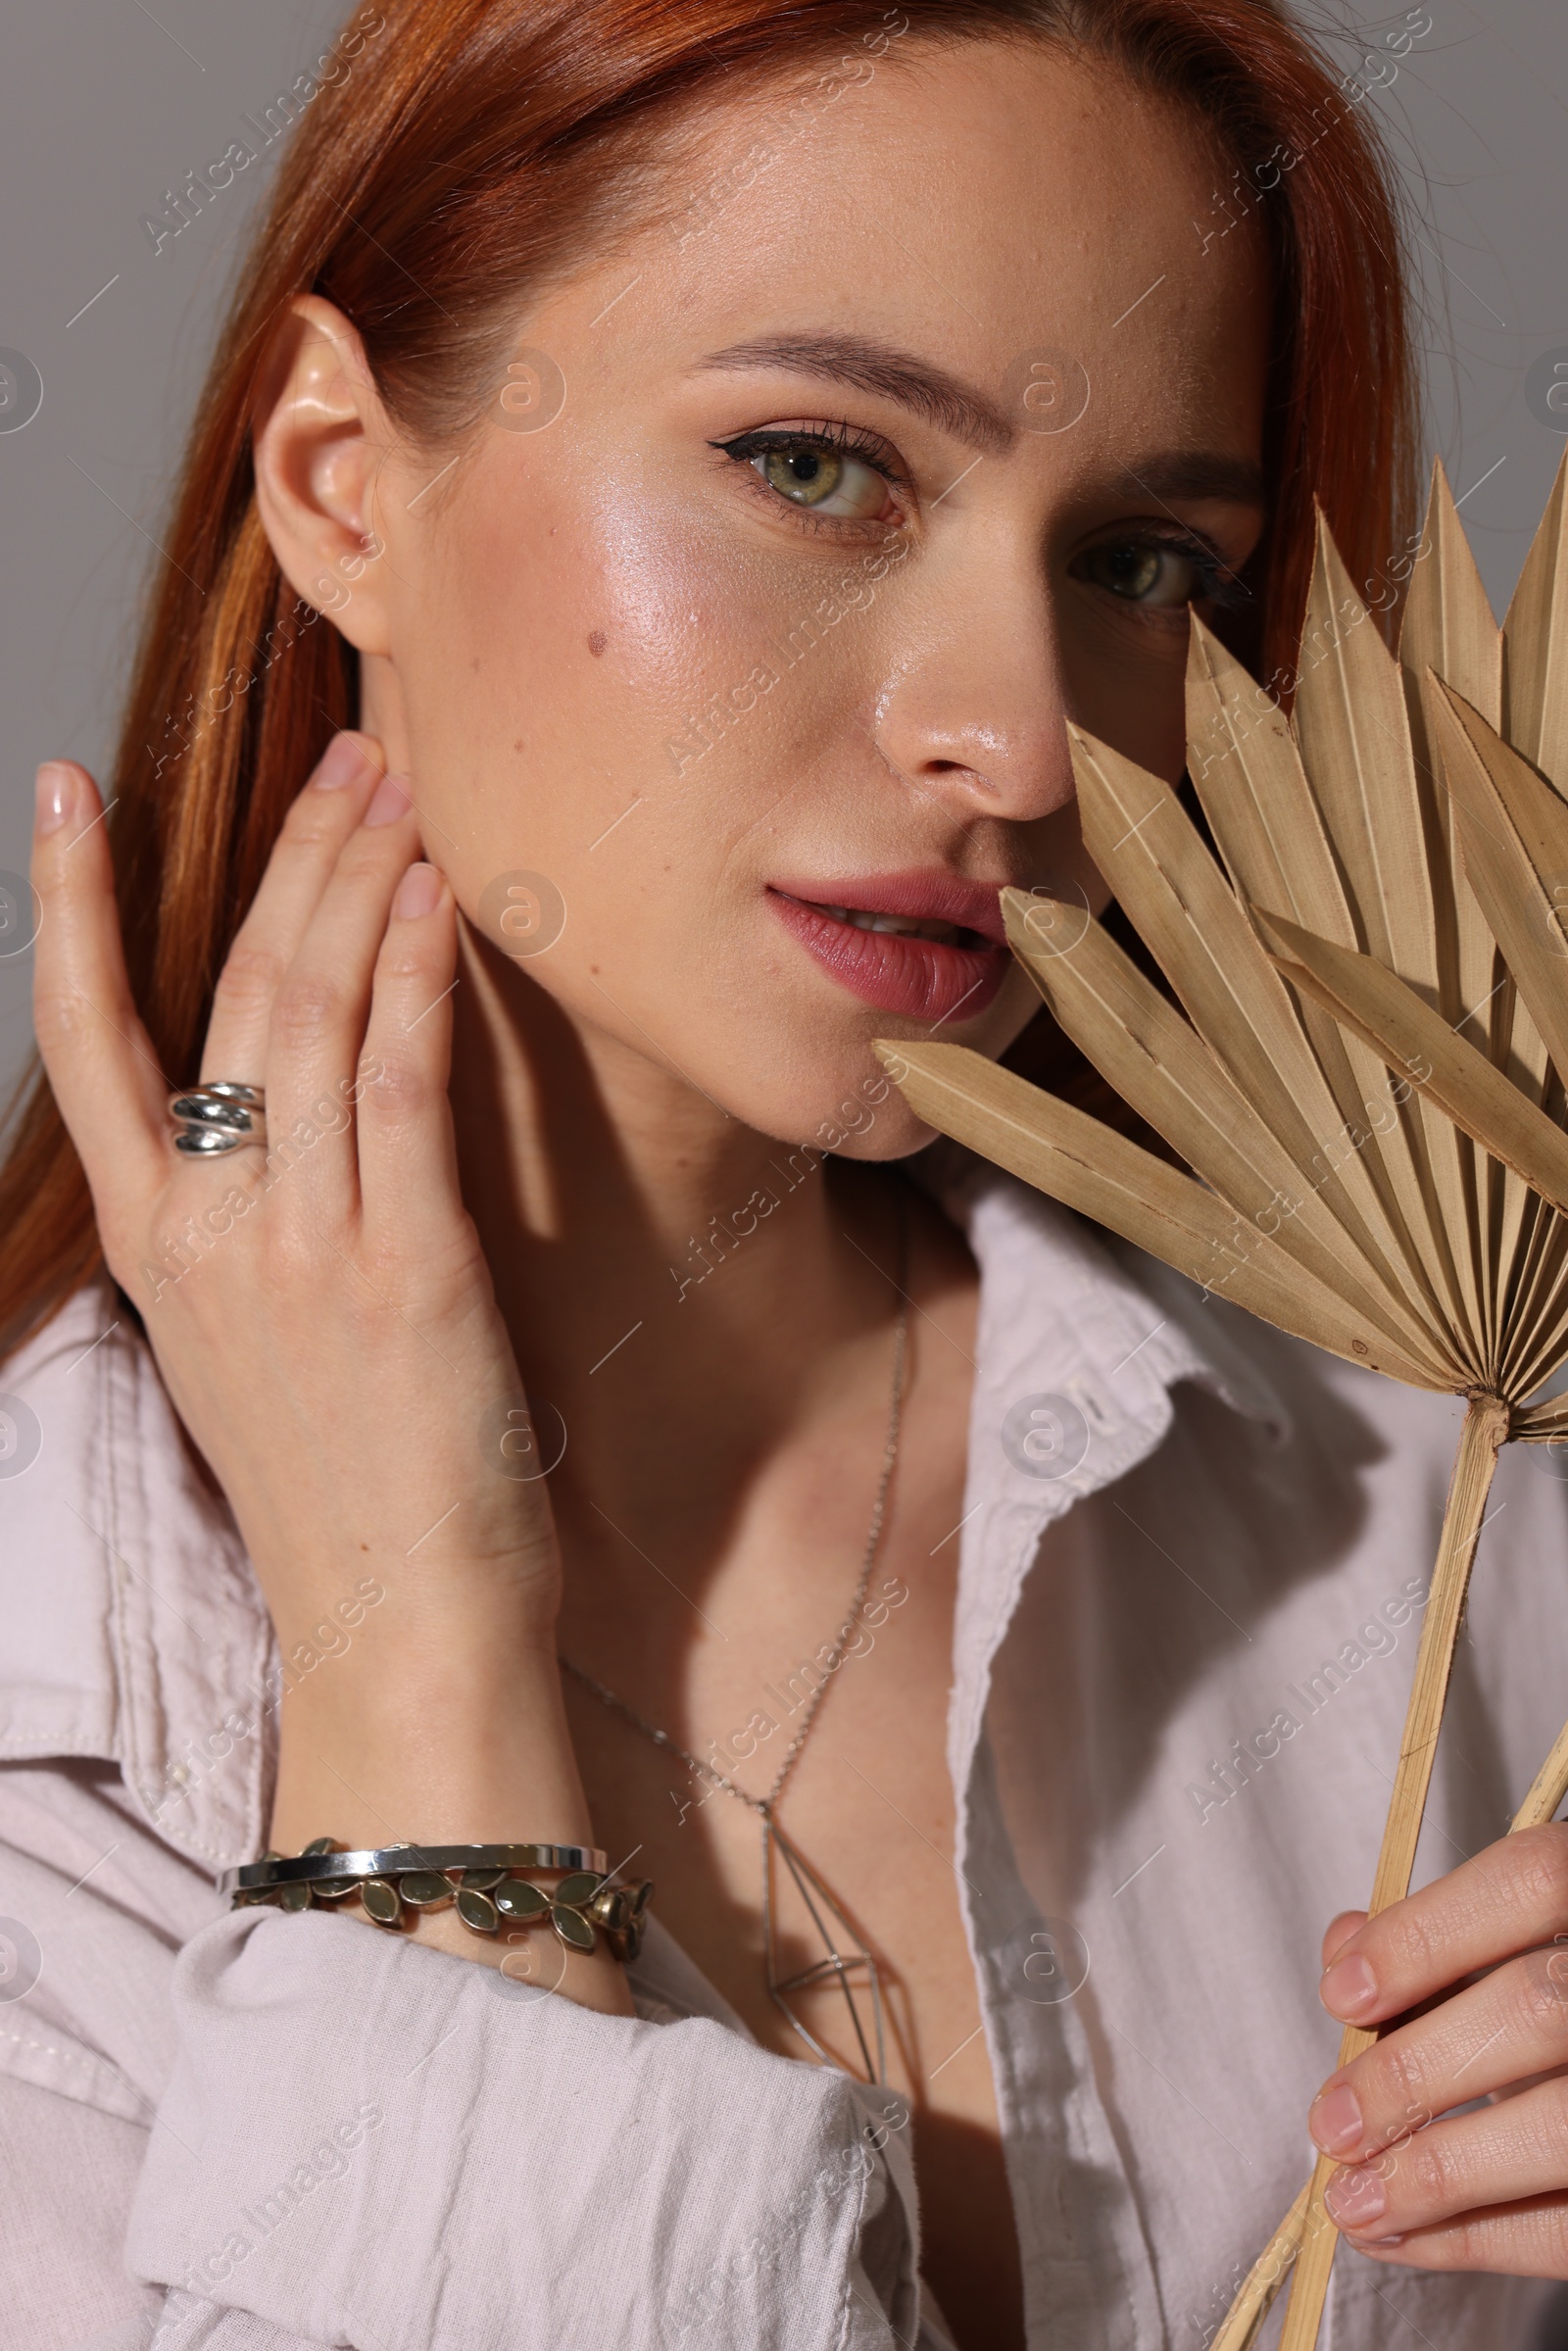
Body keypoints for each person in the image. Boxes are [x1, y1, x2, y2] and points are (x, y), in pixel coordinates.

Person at [4, 1, 1567, 2345]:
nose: (1021, 737)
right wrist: (416, 1674)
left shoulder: (1434, 1508)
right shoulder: (54, 1749)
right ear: (341, 481)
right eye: (819, 468)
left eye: (1140, 564)